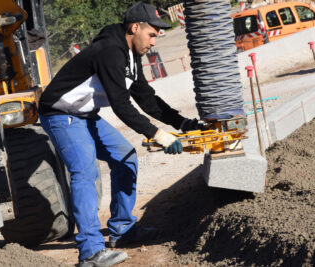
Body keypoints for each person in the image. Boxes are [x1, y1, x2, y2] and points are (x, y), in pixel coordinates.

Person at [38, 2, 199, 266]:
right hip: (60, 114)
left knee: (125, 158)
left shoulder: (130, 55)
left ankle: (122, 229)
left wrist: (183, 124)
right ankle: (90, 251)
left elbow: (147, 100)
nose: (154, 41)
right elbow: (121, 106)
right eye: (152, 34)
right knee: (85, 171)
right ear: (135, 27)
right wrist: (158, 135)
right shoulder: (110, 51)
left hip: (85, 114)